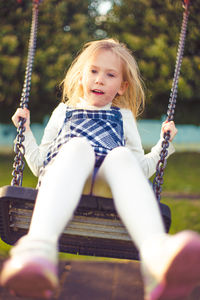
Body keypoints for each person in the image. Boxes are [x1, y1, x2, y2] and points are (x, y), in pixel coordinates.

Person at [1, 38, 200, 300]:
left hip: (108, 187)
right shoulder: (63, 111)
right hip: (66, 182)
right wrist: (25, 132)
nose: (99, 80)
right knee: (77, 147)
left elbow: (137, 170)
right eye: (93, 71)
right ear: (82, 76)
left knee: (120, 156)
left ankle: (158, 257)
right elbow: (41, 166)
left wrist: (163, 145)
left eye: (110, 74)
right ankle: (37, 251)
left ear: (121, 86)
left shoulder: (124, 116)